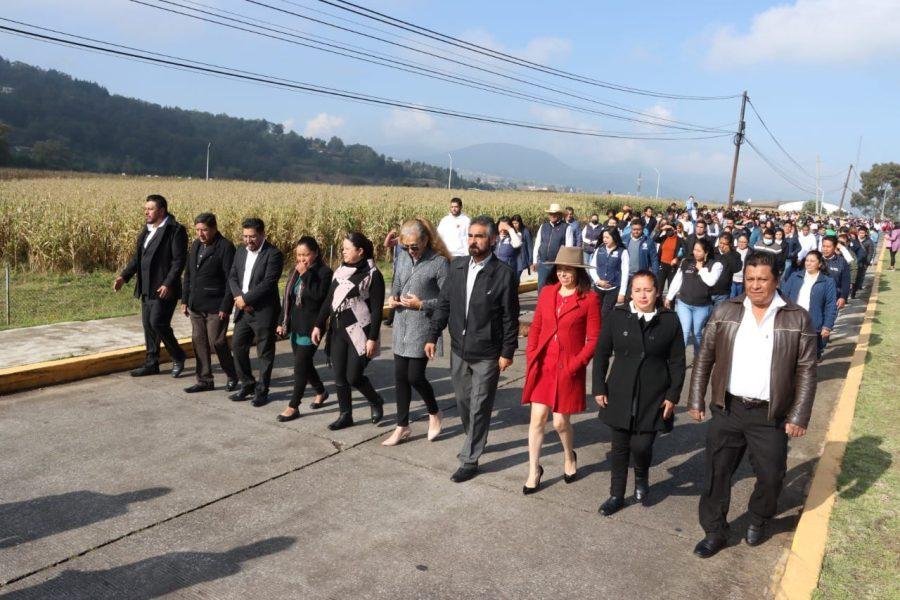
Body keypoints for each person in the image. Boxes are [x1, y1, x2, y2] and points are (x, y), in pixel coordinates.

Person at [688, 251, 816, 558]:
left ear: (777, 280)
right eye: (749, 279)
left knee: (772, 475)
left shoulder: (797, 317)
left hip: (769, 415)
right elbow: (705, 356)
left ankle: (759, 518)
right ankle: (715, 531)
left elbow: (807, 370)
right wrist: (696, 398)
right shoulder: (725, 311)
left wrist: (798, 415)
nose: (755, 286)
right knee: (718, 473)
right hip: (728, 409)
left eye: (762, 279)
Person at [426, 216, 520, 483]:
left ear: (491, 240)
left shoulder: (503, 274)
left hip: (487, 353)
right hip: (459, 349)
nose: (473, 241)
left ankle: (470, 459)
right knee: (464, 402)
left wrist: (507, 352)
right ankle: (475, 437)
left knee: (480, 406)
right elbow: (444, 304)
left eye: (479, 236)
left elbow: (509, 318)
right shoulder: (457, 268)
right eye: (470, 236)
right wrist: (433, 335)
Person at [593, 270, 686, 515]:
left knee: (642, 445)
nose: (643, 295)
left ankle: (642, 477)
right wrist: (599, 386)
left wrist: (673, 395)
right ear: (631, 292)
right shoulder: (618, 315)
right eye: (637, 290)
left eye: (648, 290)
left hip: (654, 393)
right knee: (620, 447)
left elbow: (677, 361)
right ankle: (616, 495)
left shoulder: (670, 320)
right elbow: (602, 352)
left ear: (657, 292)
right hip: (620, 390)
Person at [521, 247, 600, 494]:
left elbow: (594, 339)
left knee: (559, 422)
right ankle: (534, 469)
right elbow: (536, 326)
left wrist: (577, 365)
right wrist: (531, 353)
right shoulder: (546, 293)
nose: (563, 273)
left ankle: (569, 456)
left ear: (578, 272)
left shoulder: (589, 299)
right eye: (560, 268)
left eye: (569, 269)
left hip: (568, 368)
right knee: (537, 420)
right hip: (543, 364)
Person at [382, 218, 451, 446]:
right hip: (402, 324)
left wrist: (422, 304)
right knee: (400, 377)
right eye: (406, 246)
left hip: (423, 326)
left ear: (425, 240)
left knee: (415, 376)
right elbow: (397, 281)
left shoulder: (439, 263)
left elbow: (446, 299)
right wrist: (393, 297)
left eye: (414, 246)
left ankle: (434, 412)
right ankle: (402, 425)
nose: (410, 251)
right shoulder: (402, 256)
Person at [312, 232, 386, 430]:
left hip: (360, 332)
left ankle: (375, 400)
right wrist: (319, 324)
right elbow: (329, 300)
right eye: (342, 248)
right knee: (339, 376)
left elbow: (378, 310)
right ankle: (345, 414)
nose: (342, 251)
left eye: (347, 248)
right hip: (337, 330)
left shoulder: (373, 275)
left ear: (360, 251)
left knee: (353, 376)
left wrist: (372, 339)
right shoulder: (340, 271)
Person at [114, 194, 188, 378]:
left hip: (164, 288)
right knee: (148, 325)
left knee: (158, 323)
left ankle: (178, 355)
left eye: (150, 209)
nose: (146, 212)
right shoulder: (147, 230)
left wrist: (168, 283)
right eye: (145, 209)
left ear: (161, 210)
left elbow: (179, 261)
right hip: (146, 287)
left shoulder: (175, 230)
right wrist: (124, 276)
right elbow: (138, 258)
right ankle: (151, 363)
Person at [274, 236, 333, 422]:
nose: (301, 259)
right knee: (305, 364)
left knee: (299, 366)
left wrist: (306, 274)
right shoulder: (294, 270)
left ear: (315, 253)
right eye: (298, 255)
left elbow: (318, 296)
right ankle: (321, 391)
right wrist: (281, 321)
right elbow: (288, 297)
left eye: (305, 255)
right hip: (295, 324)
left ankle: (293, 406)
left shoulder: (324, 272)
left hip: (312, 326)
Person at [228, 218, 284, 406]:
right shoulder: (240, 251)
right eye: (245, 236)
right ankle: (247, 384)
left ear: (262, 234)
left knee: (265, 352)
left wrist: (247, 299)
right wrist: (240, 299)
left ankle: (262, 390)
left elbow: (268, 283)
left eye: (252, 236)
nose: (248, 240)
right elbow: (233, 276)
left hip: (263, 312)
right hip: (243, 310)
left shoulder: (273, 254)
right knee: (237, 346)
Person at [180, 212, 237, 393]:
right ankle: (204, 380)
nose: (200, 234)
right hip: (196, 304)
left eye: (204, 230)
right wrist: (185, 300)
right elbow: (188, 274)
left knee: (217, 342)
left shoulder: (225, 247)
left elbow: (231, 279)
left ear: (214, 228)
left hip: (216, 305)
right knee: (199, 341)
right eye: (197, 230)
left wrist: (226, 306)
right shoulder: (196, 245)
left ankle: (232, 375)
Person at [664, 239, 722, 357]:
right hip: (684, 303)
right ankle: (678, 361)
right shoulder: (686, 262)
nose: (695, 253)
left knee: (696, 333)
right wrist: (669, 297)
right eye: (694, 250)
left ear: (706, 252)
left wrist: (701, 269)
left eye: (699, 251)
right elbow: (677, 280)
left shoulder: (715, 264)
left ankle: (698, 359)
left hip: (702, 306)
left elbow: (711, 282)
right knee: (684, 332)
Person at [781, 251, 837, 361]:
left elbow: (830, 305)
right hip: (793, 321)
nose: (808, 263)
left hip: (813, 324)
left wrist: (827, 326)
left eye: (812, 261)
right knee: (791, 356)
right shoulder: (795, 276)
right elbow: (784, 297)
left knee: (809, 358)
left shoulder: (827, 281)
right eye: (807, 260)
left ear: (820, 264)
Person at [532, 203, 575, 291]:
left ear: (560, 215)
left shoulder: (566, 227)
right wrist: (535, 261)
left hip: (557, 264)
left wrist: (565, 265)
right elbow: (537, 244)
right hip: (543, 263)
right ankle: (542, 304)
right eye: (550, 213)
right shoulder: (543, 226)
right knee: (542, 288)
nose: (552, 215)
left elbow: (568, 247)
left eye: (555, 213)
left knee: (557, 288)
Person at [589, 227, 629, 320]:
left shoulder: (623, 251)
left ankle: (603, 332)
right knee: (596, 312)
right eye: (603, 237)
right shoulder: (599, 249)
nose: (604, 240)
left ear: (614, 237)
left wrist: (622, 293)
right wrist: (598, 281)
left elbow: (625, 273)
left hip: (613, 289)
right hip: (598, 288)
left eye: (607, 237)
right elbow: (592, 267)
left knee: (604, 314)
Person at [624, 217, 660, 293]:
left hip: (641, 276)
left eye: (639, 229)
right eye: (634, 229)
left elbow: (654, 259)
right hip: (626, 275)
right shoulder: (624, 239)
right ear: (631, 228)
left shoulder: (649, 241)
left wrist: (655, 275)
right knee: (627, 299)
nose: (636, 232)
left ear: (643, 229)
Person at [709, 233, 741, 305]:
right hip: (708, 291)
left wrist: (728, 254)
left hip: (723, 293)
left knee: (719, 315)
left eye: (725, 244)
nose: (722, 246)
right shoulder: (711, 252)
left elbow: (736, 269)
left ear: (730, 244)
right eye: (720, 243)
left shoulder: (735, 254)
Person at [654, 220, 685, 294]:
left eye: (670, 230)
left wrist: (677, 259)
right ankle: (659, 304)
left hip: (672, 267)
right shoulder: (664, 238)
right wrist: (662, 229)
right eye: (667, 230)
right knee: (659, 288)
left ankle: (671, 305)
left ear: (674, 230)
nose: (668, 231)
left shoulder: (679, 240)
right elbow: (655, 239)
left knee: (671, 288)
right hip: (662, 265)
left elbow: (684, 251)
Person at [821, 236, 850, 311]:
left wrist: (843, 297)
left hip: (834, 298)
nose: (825, 249)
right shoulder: (816, 259)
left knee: (828, 322)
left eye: (828, 247)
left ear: (834, 247)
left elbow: (846, 282)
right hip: (816, 297)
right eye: (823, 246)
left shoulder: (842, 262)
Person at [851, 227, 875, 299]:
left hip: (863, 262)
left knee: (858, 278)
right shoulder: (854, 240)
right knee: (852, 277)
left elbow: (870, 253)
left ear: (866, 233)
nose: (861, 234)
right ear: (858, 233)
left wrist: (867, 262)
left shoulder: (869, 242)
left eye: (863, 233)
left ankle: (853, 292)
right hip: (853, 261)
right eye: (860, 233)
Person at [509, 214, 533, 279]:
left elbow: (530, 247)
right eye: (513, 223)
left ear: (520, 222)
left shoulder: (525, 232)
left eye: (516, 223)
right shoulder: (512, 232)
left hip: (522, 257)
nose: (515, 225)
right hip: (513, 257)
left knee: (517, 276)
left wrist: (531, 261)